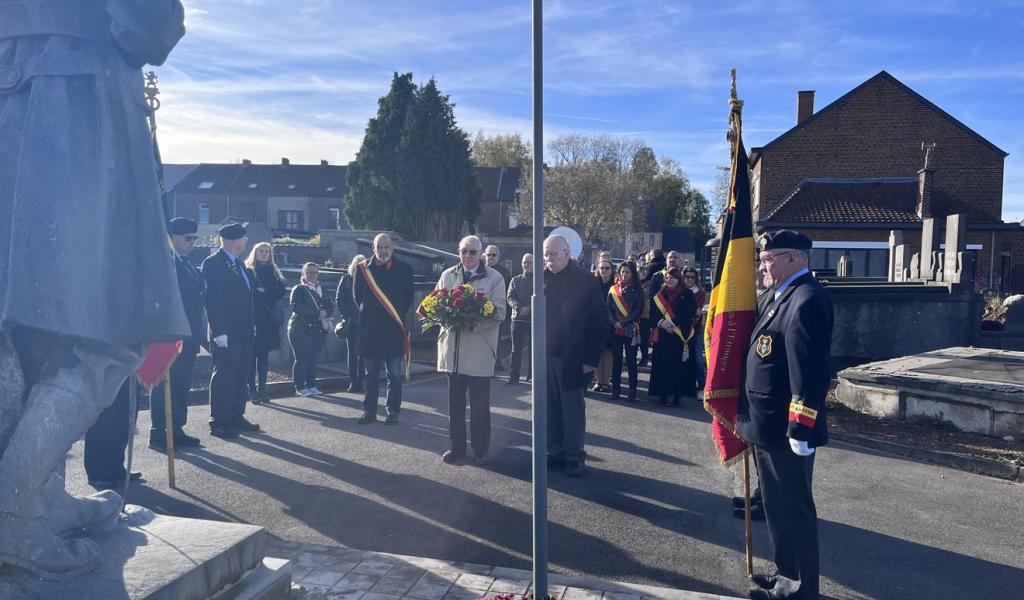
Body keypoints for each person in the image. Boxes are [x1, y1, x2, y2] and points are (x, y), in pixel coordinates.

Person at [0, 1, 189, 578]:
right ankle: (18, 509)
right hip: (77, 100)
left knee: (20, 327)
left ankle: (42, 495)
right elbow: (144, 25)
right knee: (104, 335)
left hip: (9, 92)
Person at [738, 230, 833, 600]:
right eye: (763, 258)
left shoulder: (806, 299)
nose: (762, 265)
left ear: (794, 258)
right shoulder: (778, 297)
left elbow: (809, 371)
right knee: (776, 507)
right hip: (766, 422)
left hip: (785, 426)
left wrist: (801, 426)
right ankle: (785, 574)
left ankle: (800, 589)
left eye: (769, 258)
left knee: (794, 508)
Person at [437, 236, 507, 464]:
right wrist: (446, 318)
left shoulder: (495, 278)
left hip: (480, 352)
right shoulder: (448, 275)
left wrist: (468, 323)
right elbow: (436, 305)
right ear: (459, 252)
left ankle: (480, 450)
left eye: (473, 252)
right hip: (453, 354)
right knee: (454, 406)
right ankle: (456, 448)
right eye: (464, 251)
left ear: (481, 254)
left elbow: (498, 312)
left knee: (479, 407)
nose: (468, 256)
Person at [543, 235, 609, 477]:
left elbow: (600, 323)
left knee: (572, 411)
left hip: (572, 357)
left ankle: (574, 456)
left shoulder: (585, 281)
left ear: (567, 252)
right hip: (545, 356)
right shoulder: (541, 279)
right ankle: (555, 451)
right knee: (548, 408)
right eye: (545, 254)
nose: (548, 259)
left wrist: (591, 360)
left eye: (552, 254)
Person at [149, 218, 206, 451]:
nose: (191, 242)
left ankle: (176, 428)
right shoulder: (165, 263)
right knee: (164, 383)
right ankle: (160, 432)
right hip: (169, 335)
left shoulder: (187, 263)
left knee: (181, 383)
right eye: (187, 238)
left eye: (194, 238)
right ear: (171, 238)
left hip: (188, 333)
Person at [203, 222, 261, 439]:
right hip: (226, 333)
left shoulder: (240, 265)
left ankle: (236, 415)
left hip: (245, 331)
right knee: (224, 377)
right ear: (235, 241)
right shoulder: (214, 264)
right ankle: (219, 421)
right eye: (244, 238)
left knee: (240, 376)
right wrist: (219, 332)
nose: (246, 242)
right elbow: (213, 300)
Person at [354, 233, 414, 424]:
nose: (383, 251)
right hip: (370, 331)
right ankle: (369, 411)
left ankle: (393, 411)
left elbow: (408, 298)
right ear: (373, 248)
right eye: (379, 247)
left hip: (393, 330)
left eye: (386, 247)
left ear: (393, 248)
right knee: (370, 375)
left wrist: (391, 315)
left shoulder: (405, 269)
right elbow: (358, 297)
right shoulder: (362, 270)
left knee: (394, 375)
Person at [648, 267, 697, 406]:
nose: (669, 280)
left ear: (678, 280)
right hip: (663, 335)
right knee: (662, 365)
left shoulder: (687, 294)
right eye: (667, 278)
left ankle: (677, 395)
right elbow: (653, 314)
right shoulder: (660, 294)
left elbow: (690, 312)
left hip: (680, 335)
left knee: (677, 366)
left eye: (672, 278)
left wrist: (672, 322)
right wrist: (661, 322)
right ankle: (662, 393)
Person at [246, 242, 287, 403]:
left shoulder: (274, 271)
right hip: (254, 319)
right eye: (261, 251)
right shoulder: (249, 271)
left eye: (266, 251)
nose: (264, 253)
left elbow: (280, 292)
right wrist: (268, 292)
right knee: (251, 357)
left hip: (268, 320)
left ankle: (262, 389)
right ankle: (252, 390)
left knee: (263, 357)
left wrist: (266, 291)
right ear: (255, 253)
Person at [85, 381, 143, 489]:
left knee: (124, 415)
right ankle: (97, 473)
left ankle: (116, 468)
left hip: (128, 369)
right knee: (103, 419)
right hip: (106, 369)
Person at [288, 262, 334, 397]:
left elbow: (330, 305)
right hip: (300, 329)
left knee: (313, 359)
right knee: (302, 359)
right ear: (303, 274)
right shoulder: (299, 289)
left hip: (318, 330)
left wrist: (326, 313)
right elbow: (296, 307)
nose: (312, 275)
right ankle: (300, 387)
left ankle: (311, 385)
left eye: (314, 272)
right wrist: (317, 314)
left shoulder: (322, 289)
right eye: (309, 272)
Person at [607, 262, 644, 402]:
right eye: (622, 272)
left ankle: (632, 389)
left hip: (630, 328)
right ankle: (615, 388)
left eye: (627, 272)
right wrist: (614, 322)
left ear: (632, 273)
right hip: (615, 328)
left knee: (631, 360)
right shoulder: (613, 289)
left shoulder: (638, 290)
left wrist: (624, 322)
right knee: (616, 359)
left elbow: (638, 310)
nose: (624, 274)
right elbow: (608, 307)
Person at [336, 255, 367, 393]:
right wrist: (346, 316)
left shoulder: (368, 280)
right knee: (353, 354)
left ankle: (362, 381)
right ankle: (353, 382)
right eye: (357, 263)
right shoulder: (346, 279)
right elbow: (339, 299)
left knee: (363, 354)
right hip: (352, 323)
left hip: (366, 322)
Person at [506, 253, 534, 385]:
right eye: (525, 262)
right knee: (515, 349)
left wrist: (529, 308)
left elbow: (542, 295)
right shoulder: (515, 280)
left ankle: (532, 376)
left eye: (529, 262)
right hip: (517, 319)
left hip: (534, 320)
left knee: (533, 350)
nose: (527, 265)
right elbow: (510, 297)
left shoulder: (540, 281)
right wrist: (520, 308)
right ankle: (514, 376)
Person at [484, 245, 512, 372]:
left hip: (497, 311)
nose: (490, 257)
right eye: (488, 255)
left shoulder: (504, 273)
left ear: (498, 257)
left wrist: (507, 313)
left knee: (497, 338)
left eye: (493, 255)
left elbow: (508, 293)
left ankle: (496, 362)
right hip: (481, 311)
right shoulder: (479, 270)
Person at [592, 259, 616, 393]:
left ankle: (605, 382)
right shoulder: (593, 284)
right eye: (602, 268)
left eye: (607, 268)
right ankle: (598, 381)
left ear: (612, 270)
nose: (604, 271)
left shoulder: (615, 285)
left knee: (607, 353)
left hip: (610, 323)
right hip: (595, 322)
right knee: (597, 351)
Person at [682, 267, 706, 397]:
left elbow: (697, 311)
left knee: (698, 358)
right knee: (685, 358)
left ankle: (702, 386)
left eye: (692, 277)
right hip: (682, 329)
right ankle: (687, 386)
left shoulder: (700, 293)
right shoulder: (680, 291)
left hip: (696, 329)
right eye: (686, 277)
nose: (689, 279)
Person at [637, 265, 652, 368]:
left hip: (644, 315)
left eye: (641, 272)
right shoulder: (634, 284)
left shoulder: (649, 284)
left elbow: (646, 296)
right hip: (634, 315)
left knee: (644, 339)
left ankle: (645, 358)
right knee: (634, 339)